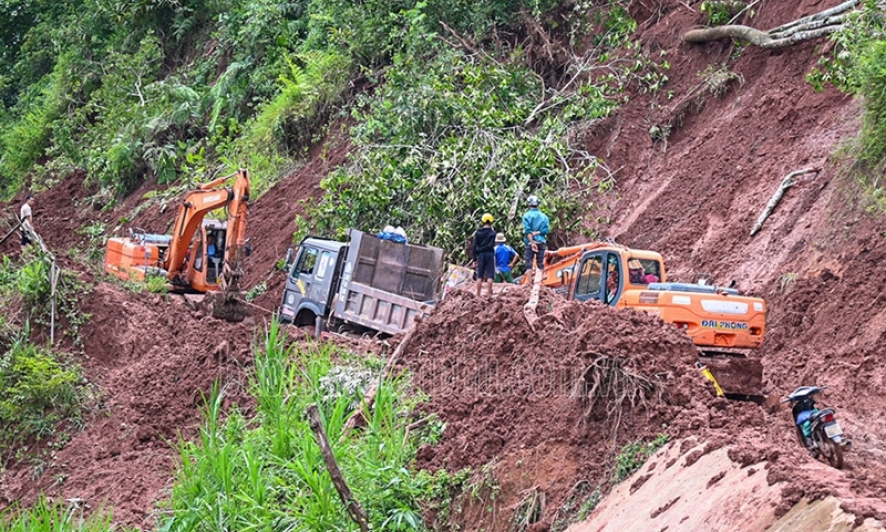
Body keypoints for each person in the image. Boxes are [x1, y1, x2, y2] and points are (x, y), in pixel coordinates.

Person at [522, 195, 549, 272]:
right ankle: (540, 281)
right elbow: (546, 230)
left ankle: (529, 283)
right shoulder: (544, 216)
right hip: (541, 242)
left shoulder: (526, 216)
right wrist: (538, 232)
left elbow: (527, 231)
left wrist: (532, 242)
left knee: (529, 262)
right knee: (540, 263)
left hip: (530, 242)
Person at [473, 213, 497, 297]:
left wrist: (474, 259)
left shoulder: (478, 233)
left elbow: (475, 246)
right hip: (490, 254)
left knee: (480, 275)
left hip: (481, 254)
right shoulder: (493, 233)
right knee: (490, 274)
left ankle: (478, 294)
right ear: (491, 221)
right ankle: (489, 293)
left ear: (482, 221)